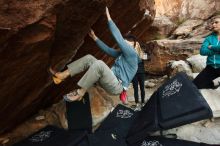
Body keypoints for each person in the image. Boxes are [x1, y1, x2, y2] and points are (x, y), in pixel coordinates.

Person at [50, 7, 141, 103]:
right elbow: (108, 50)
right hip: (107, 80)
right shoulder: (123, 55)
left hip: (116, 87)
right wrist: (94, 37)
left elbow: (119, 39)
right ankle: (62, 75)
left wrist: (108, 17)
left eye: (128, 43)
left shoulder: (132, 55)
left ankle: (80, 93)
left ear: (133, 46)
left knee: (99, 64)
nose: (125, 45)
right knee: (89, 58)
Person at [193, 15, 220, 89]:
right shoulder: (209, 38)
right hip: (211, 67)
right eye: (213, 23)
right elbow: (202, 51)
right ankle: (215, 84)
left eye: (216, 22)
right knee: (195, 85)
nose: (213, 24)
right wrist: (217, 51)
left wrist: (212, 47)